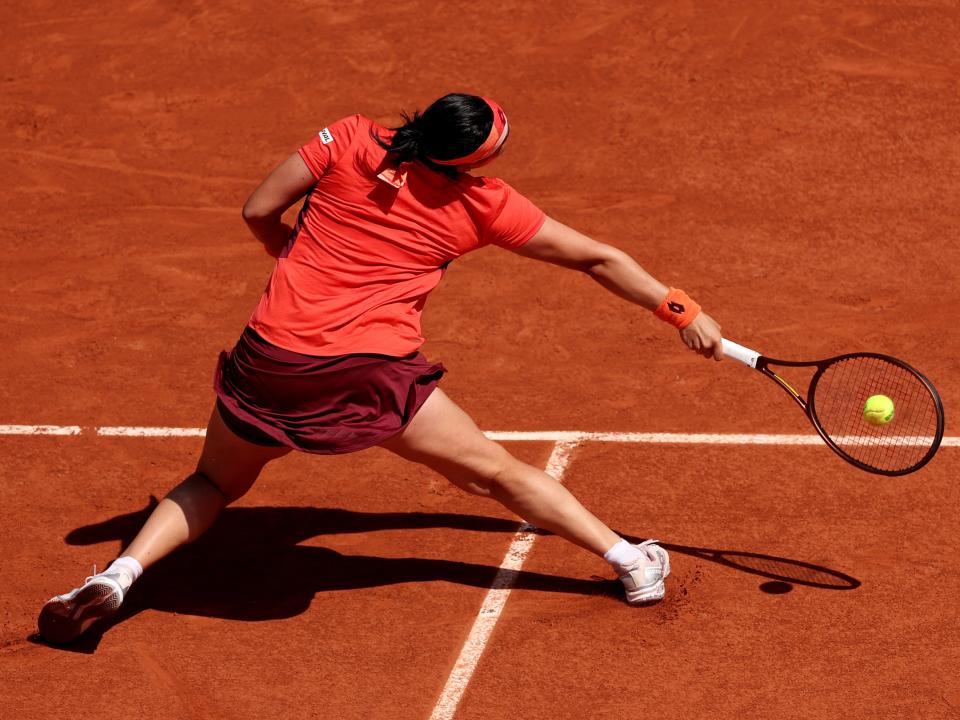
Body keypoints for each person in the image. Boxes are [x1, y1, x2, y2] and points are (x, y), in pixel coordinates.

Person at [38, 93, 723, 644]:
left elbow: (257, 209)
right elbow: (596, 258)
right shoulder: (483, 204)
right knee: (495, 473)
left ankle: (118, 577)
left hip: (269, 360)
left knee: (213, 479)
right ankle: (631, 564)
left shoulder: (351, 138)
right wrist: (682, 311)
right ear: (468, 161)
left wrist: (287, 249)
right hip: (363, 376)